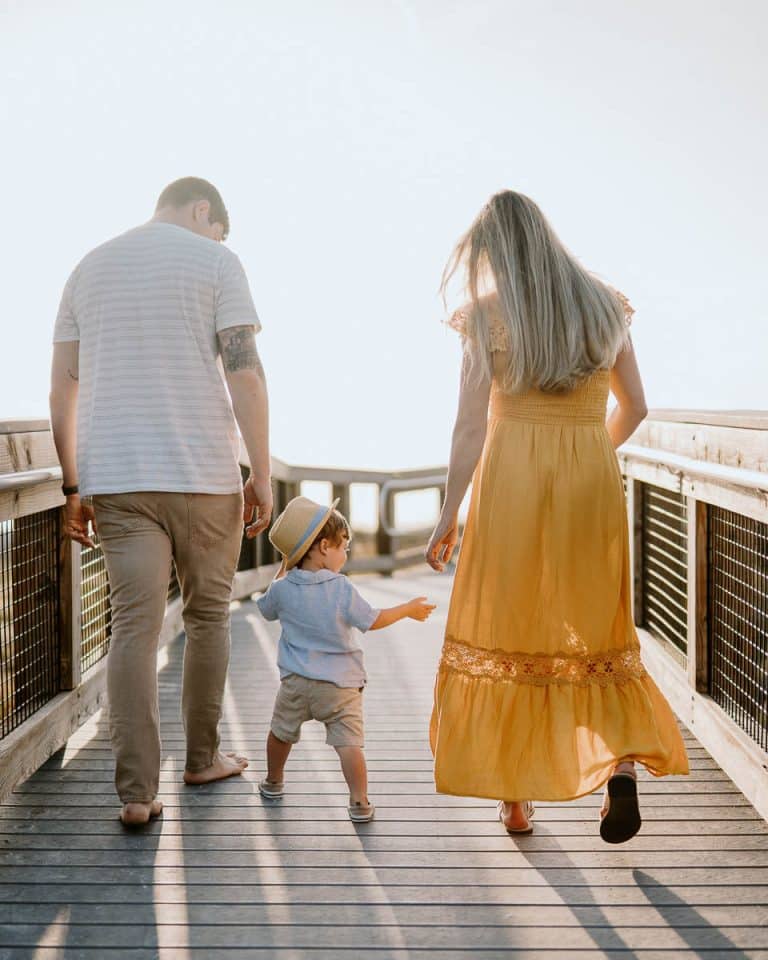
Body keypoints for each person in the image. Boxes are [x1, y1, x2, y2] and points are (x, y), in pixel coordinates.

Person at [425, 190, 688, 844]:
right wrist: (588, 450)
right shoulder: (603, 306)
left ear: (491, 252)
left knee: (515, 627)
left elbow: (467, 430)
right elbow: (637, 407)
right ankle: (619, 769)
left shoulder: (488, 318)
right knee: (595, 628)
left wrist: (448, 514)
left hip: (511, 478)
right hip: (589, 479)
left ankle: (515, 802)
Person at [50, 177, 273, 826]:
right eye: (218, 227)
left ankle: (136, 794)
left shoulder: (87, 268)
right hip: (203, 473)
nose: (218, 239)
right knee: (207, 617)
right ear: (204, 211)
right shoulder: (217, 261)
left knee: (133, 628)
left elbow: (63, 387)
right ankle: (201, 759)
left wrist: (71, 485)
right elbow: (245, 371)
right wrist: (259, 470)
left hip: (118, 478)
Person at [256, 496, 435, 822]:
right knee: (349, 744)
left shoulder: (283, 589)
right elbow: (372, 619)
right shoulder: (341, 588)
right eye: (344, 547)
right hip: (340, 686)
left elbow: (265, 609)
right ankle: (359, 801)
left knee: (280, 733)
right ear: (324, 547)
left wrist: (284, 567)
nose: (346, 555)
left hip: (295, 684)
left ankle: (273, 781)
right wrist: (408, 609)